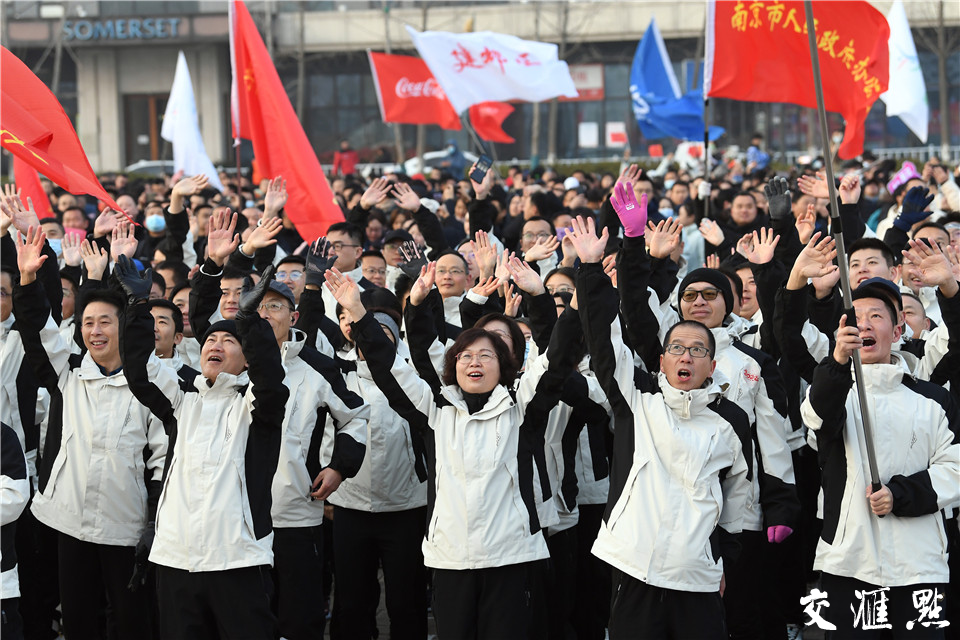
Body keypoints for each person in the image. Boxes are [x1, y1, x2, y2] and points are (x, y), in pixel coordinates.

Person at [325, 263, 577, 639]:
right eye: (465, 356)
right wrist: (359, 314)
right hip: (451, 557)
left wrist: (540, 297)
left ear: (505, 366)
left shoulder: (522, 407)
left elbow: (556, 359)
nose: (474, 362)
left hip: (511, 556)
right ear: (453, 366)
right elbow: (389, 367)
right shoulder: (435, 410)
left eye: (486, 356)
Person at [564, 215, 751, 639]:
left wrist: (721, 560)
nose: (686, 358)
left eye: (697, 350)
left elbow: (737, 497)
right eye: (677, 349)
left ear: (712, 364)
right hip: (634, 565)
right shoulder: (639, 397)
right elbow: (606, 342)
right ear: (663, 359)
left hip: (697, 573)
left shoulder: (731, 421)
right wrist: (591, 270)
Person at [118, 259, 289, 638]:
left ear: (247, 360)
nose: (217, 344)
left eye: (230, 341)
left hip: (238, 559)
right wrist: (136, 307)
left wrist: (250, 321)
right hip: (176, 558)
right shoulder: (183, 400)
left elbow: (271, 384)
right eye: (211, 339)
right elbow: (139, 369)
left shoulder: (255, 407)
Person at [13, 230, 164, 640]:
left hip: (126, 524)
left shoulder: (150, 383)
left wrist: (153, 520)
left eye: (105, 322)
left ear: (124, 326)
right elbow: (37, 332)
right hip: (68, 519)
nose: (95, 331)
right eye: (88, 323)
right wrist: (27, 281)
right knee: (78, 617)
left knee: (129, 619)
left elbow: (161, 457)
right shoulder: (71, 373)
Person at [800, 278, 959, 637]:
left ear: (898, 328)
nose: (865, 324)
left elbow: (956, 466)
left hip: (920, 565)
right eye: (856, 318)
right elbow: (817, 420)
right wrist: (838, 363)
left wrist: (901, 494)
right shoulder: (832, 389)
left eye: (877, 316)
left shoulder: (933, 399)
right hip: (847, 562)